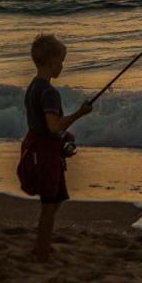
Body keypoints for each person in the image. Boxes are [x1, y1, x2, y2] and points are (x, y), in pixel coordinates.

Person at [18, 33, 92, 258]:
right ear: (51, 63)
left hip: (37, 147)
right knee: (49, 204)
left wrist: (64, 133)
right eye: (61, 61)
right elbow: (53, 126)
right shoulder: (49, 92)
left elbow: (43, 125)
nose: (62, 66)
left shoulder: (33, 87)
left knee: (55, 199)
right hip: (45, 154)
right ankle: (42, 250)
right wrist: (80, 113)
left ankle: (43, 245)